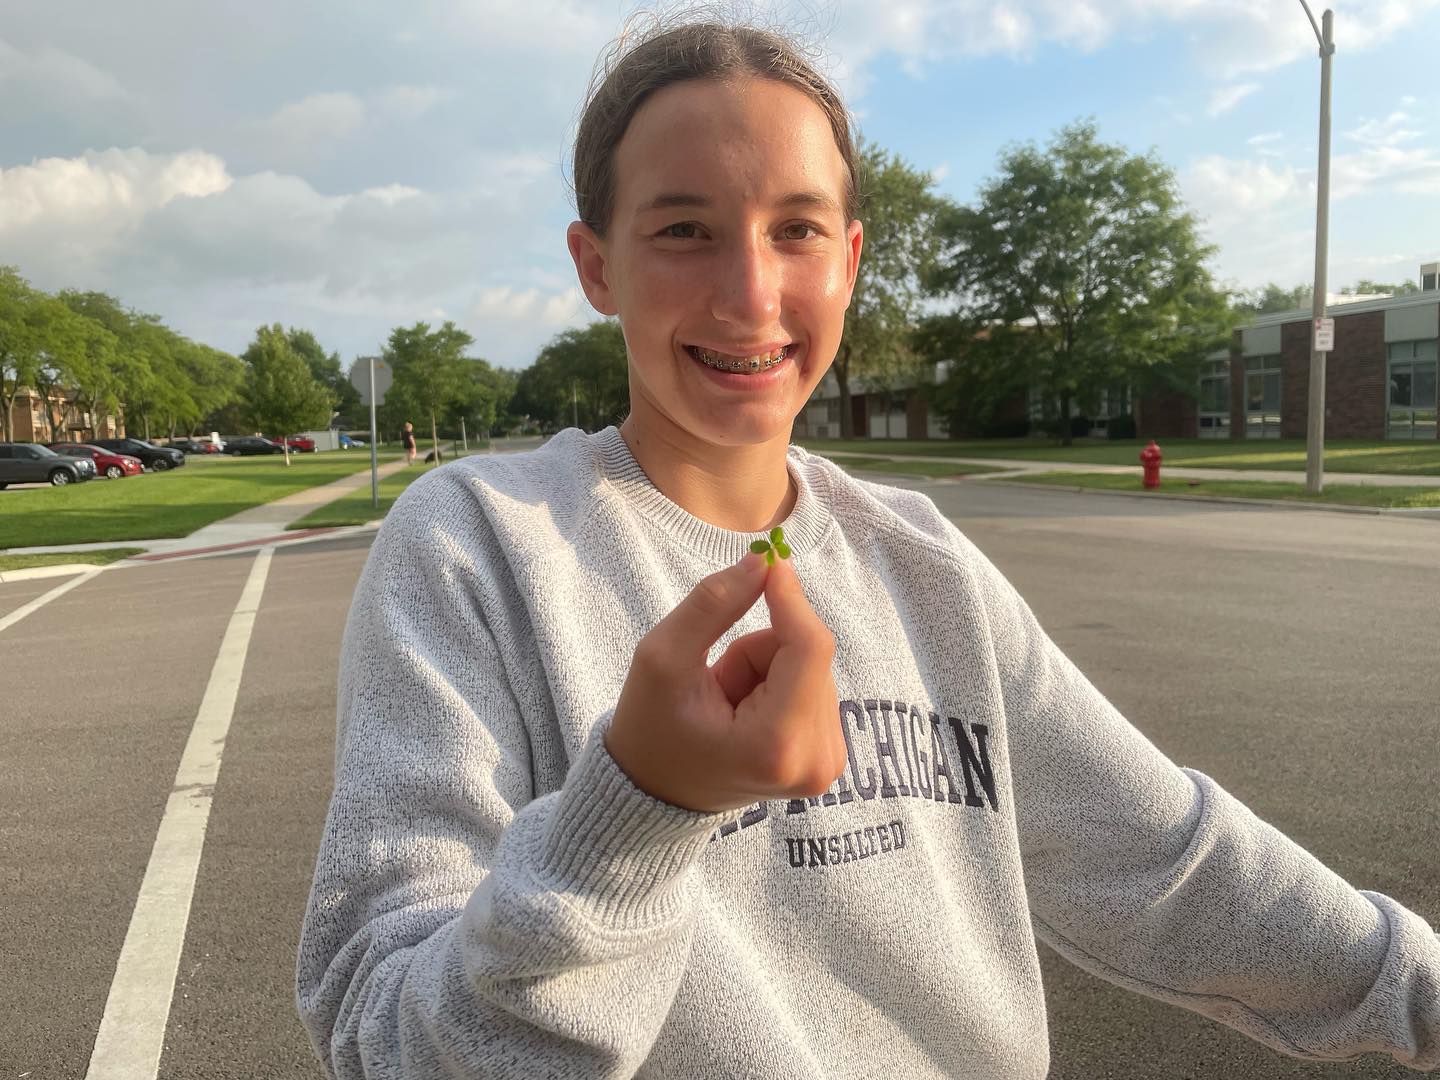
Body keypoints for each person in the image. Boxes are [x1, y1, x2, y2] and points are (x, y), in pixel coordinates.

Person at [296, 18, 1439, 1079]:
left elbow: (1168, 863)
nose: (751, 294)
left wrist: (1418, 991)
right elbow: (384, 1032)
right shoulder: (479, 547)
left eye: (794, 229)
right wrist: (636, 809)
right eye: (684, 229)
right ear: (598, 266)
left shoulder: (922, 562)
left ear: (847, 259)